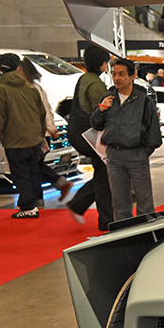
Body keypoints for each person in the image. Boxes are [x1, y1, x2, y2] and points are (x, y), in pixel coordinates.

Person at [91, 58, 161, 221]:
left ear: (133, 76)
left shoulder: (144, 101)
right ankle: (124, 232)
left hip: (137, 155)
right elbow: (95, 124)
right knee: (119, 203)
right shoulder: (108, 98)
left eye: (122, 74)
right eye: (114, 74)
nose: (117, 78)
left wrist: (144, 152)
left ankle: (147, 233)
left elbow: (154, 133)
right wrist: (101, 109)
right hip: (114, 157)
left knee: (145, 202)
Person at [0, 54, 47, 219]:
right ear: (18, 68)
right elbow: (41, 114)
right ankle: (36, 201)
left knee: (20, 174)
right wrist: (40, 135)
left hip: (15, 139)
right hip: (34, 138)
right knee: (33, 171)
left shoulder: (0, 91)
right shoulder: (30, 88)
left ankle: (28, 207)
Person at [66, 46, 113, 230]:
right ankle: (105, 219)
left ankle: (81, 206)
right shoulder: (96, 84)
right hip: (90, 136)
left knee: (102, 174)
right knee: (103, 177)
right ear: (102, 64)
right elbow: (100, 113)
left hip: (79, 133)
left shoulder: (84, 78)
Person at [17, 58, 74, 205]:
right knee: (36, 166)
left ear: (22, 72)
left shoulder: (31, 89)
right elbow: (47, 109)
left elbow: (44, 111)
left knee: (34, 167)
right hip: (41, 133)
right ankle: (58, 185)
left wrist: (51, 129)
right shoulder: (36, 87)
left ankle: (40, 197)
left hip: (39, 134)